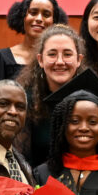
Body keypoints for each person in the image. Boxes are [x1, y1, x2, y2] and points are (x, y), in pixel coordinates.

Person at [17, 24, 87, 165]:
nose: (60, 62)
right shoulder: (25, 99)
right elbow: (21, 157)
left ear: (79, 60)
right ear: (40, 60)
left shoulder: (91, 99)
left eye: (67, 54)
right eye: (52, 54)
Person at [0, 0, 66, 81]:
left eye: (46, 15)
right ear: (22, 17)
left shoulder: (60, 61)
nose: (39, 19)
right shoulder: (1, 57)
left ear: (55, 21)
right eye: (33, 13)